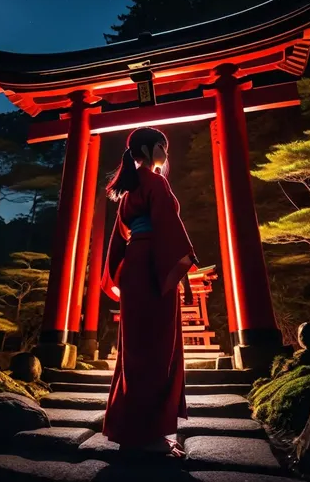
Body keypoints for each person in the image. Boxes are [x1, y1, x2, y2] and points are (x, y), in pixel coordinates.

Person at [100, 127, 198, 457]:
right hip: (154, 264)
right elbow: (168, 227)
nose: (166, 152)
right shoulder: (156, 182)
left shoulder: (129, 189)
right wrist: (179, 270)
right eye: (162, 146)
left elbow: (119, 237)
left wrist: (116, 275)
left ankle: (133, 431)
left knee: (135, 351)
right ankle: (153, 436)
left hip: (134, 265)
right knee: (157, 348)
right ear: (148, 147)